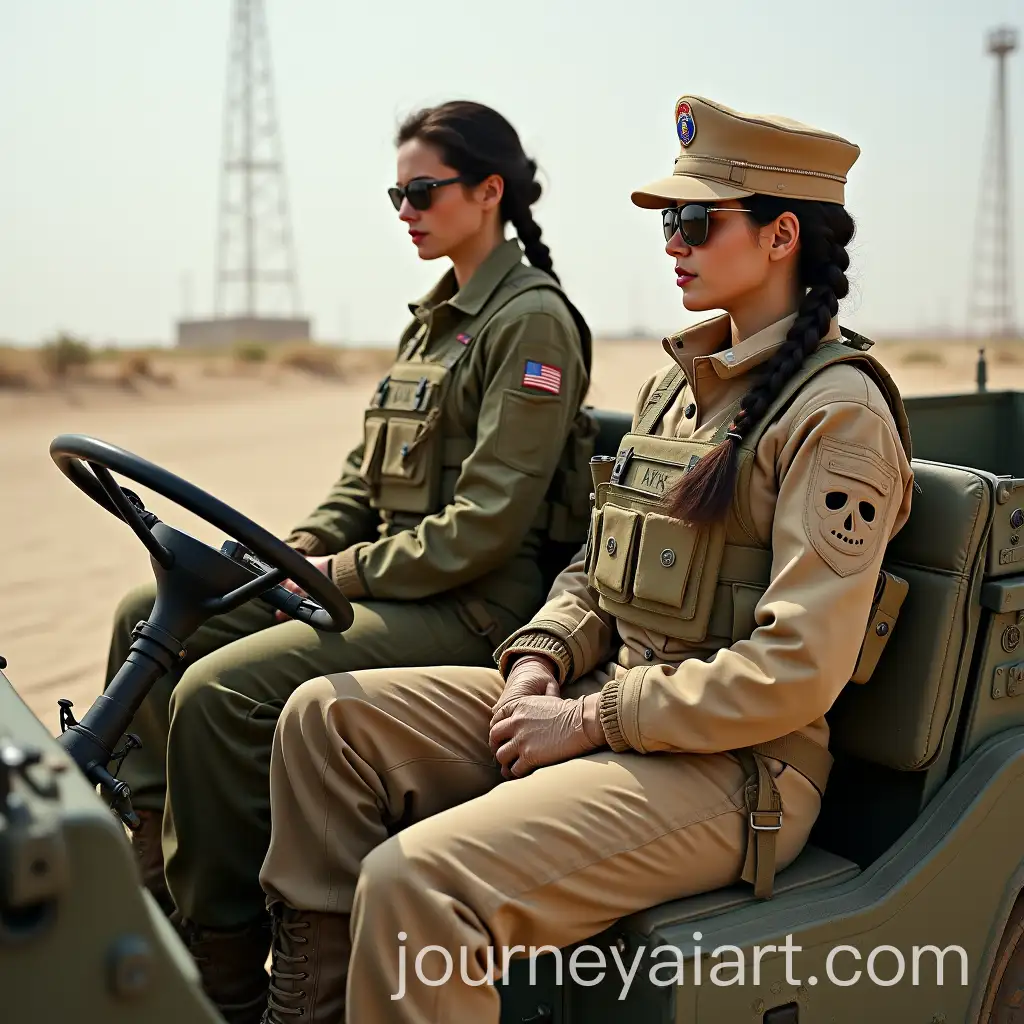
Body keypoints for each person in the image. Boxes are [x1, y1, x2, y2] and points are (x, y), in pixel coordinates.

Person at [255, 94, 916, 1023]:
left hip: (736, 771)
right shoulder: (675, 390)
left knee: (417, 886)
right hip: (607, 698)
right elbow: (593, 570)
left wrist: (594, 718)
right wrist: (537, 664)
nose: (672, 240)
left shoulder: (835, 414)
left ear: (781, 238)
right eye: (668, 222)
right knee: (325, 720)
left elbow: (796, 673)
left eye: (695, 220)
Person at [99, 100, 594, 1021]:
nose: (404, 209)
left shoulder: (530, 324)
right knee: (147, 616)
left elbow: (483, 528)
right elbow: (360, 488)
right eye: (394, 193)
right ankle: (149, 887)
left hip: (474, 607)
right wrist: (299, 549)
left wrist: (342, 574)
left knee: (222, 695)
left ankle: (228, 970)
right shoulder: (434, 321)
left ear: (488, 192)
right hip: (389, 584)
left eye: (421, 190)